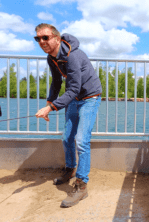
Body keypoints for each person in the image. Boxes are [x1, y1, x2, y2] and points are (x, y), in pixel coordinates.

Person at [35, 23, 102, 208]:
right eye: (38, 38)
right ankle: (70, 169)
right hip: (75, 97)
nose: (41, 42)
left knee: (81, 140)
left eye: (45, 37)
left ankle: (81, 186)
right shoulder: (52, 57)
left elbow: (73, 88)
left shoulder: (73, 56)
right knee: (67, 138)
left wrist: (52, 108)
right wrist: (50, 102)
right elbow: (57, 81)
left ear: (56, 38)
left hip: (90, 97)